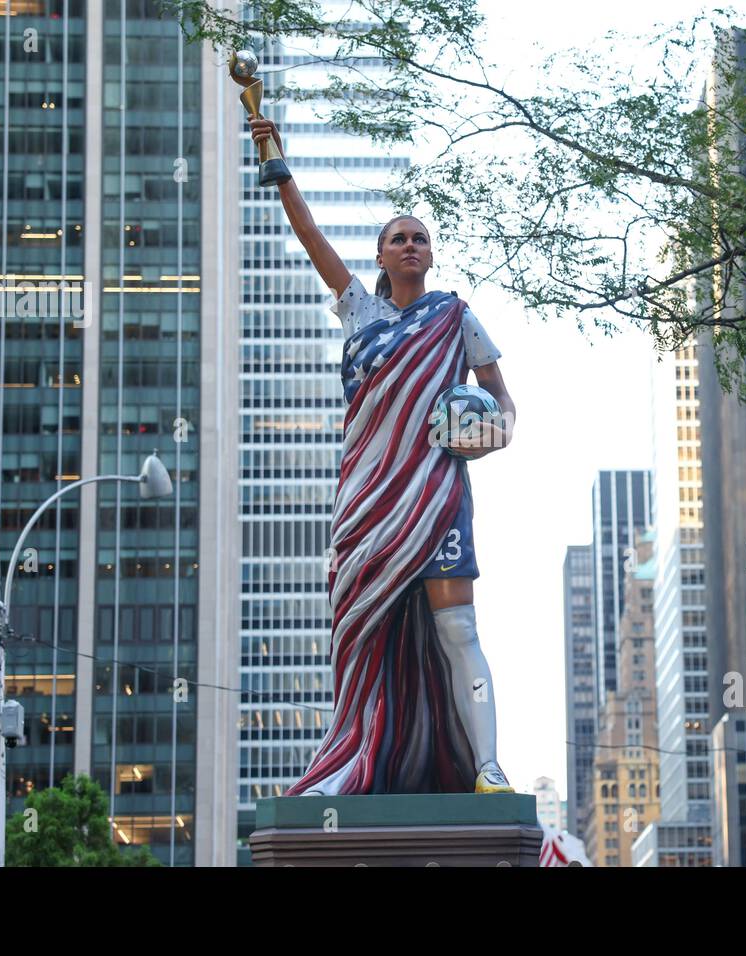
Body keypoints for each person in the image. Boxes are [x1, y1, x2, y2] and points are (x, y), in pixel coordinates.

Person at [248, 117, 518, 796]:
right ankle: (352, 759)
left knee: (459, 630)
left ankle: (487, 766)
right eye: (398, 237)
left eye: (419, 237)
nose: (409, 244)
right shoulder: (360, 313)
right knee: (360, 634)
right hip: (369, 505)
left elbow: (506, 410)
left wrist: (483, 434)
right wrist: (272, 155)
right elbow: (309, 235)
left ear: (431, 253)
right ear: (380, 254)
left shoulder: (456, 318)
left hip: (437, 500)